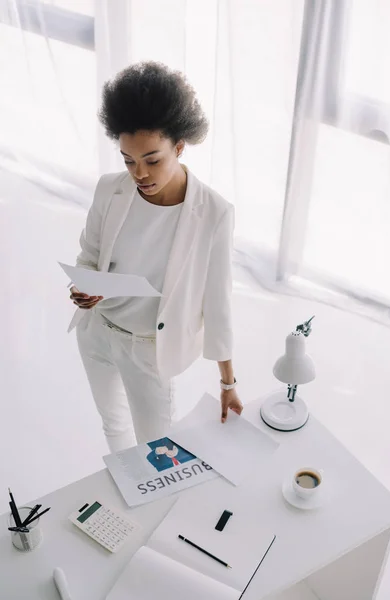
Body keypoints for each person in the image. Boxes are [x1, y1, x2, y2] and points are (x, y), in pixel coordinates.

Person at [68, 61, 242, 453]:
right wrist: (83, 287)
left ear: (179, 147)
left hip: (148, 348)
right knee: (113, 425)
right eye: (128, 160)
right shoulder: (109, 190)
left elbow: (219, 304)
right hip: (96, 332)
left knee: (157, 446)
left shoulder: (214, 213)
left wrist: (227, 383)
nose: (139, 173)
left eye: (152, 159)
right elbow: (89, 255)